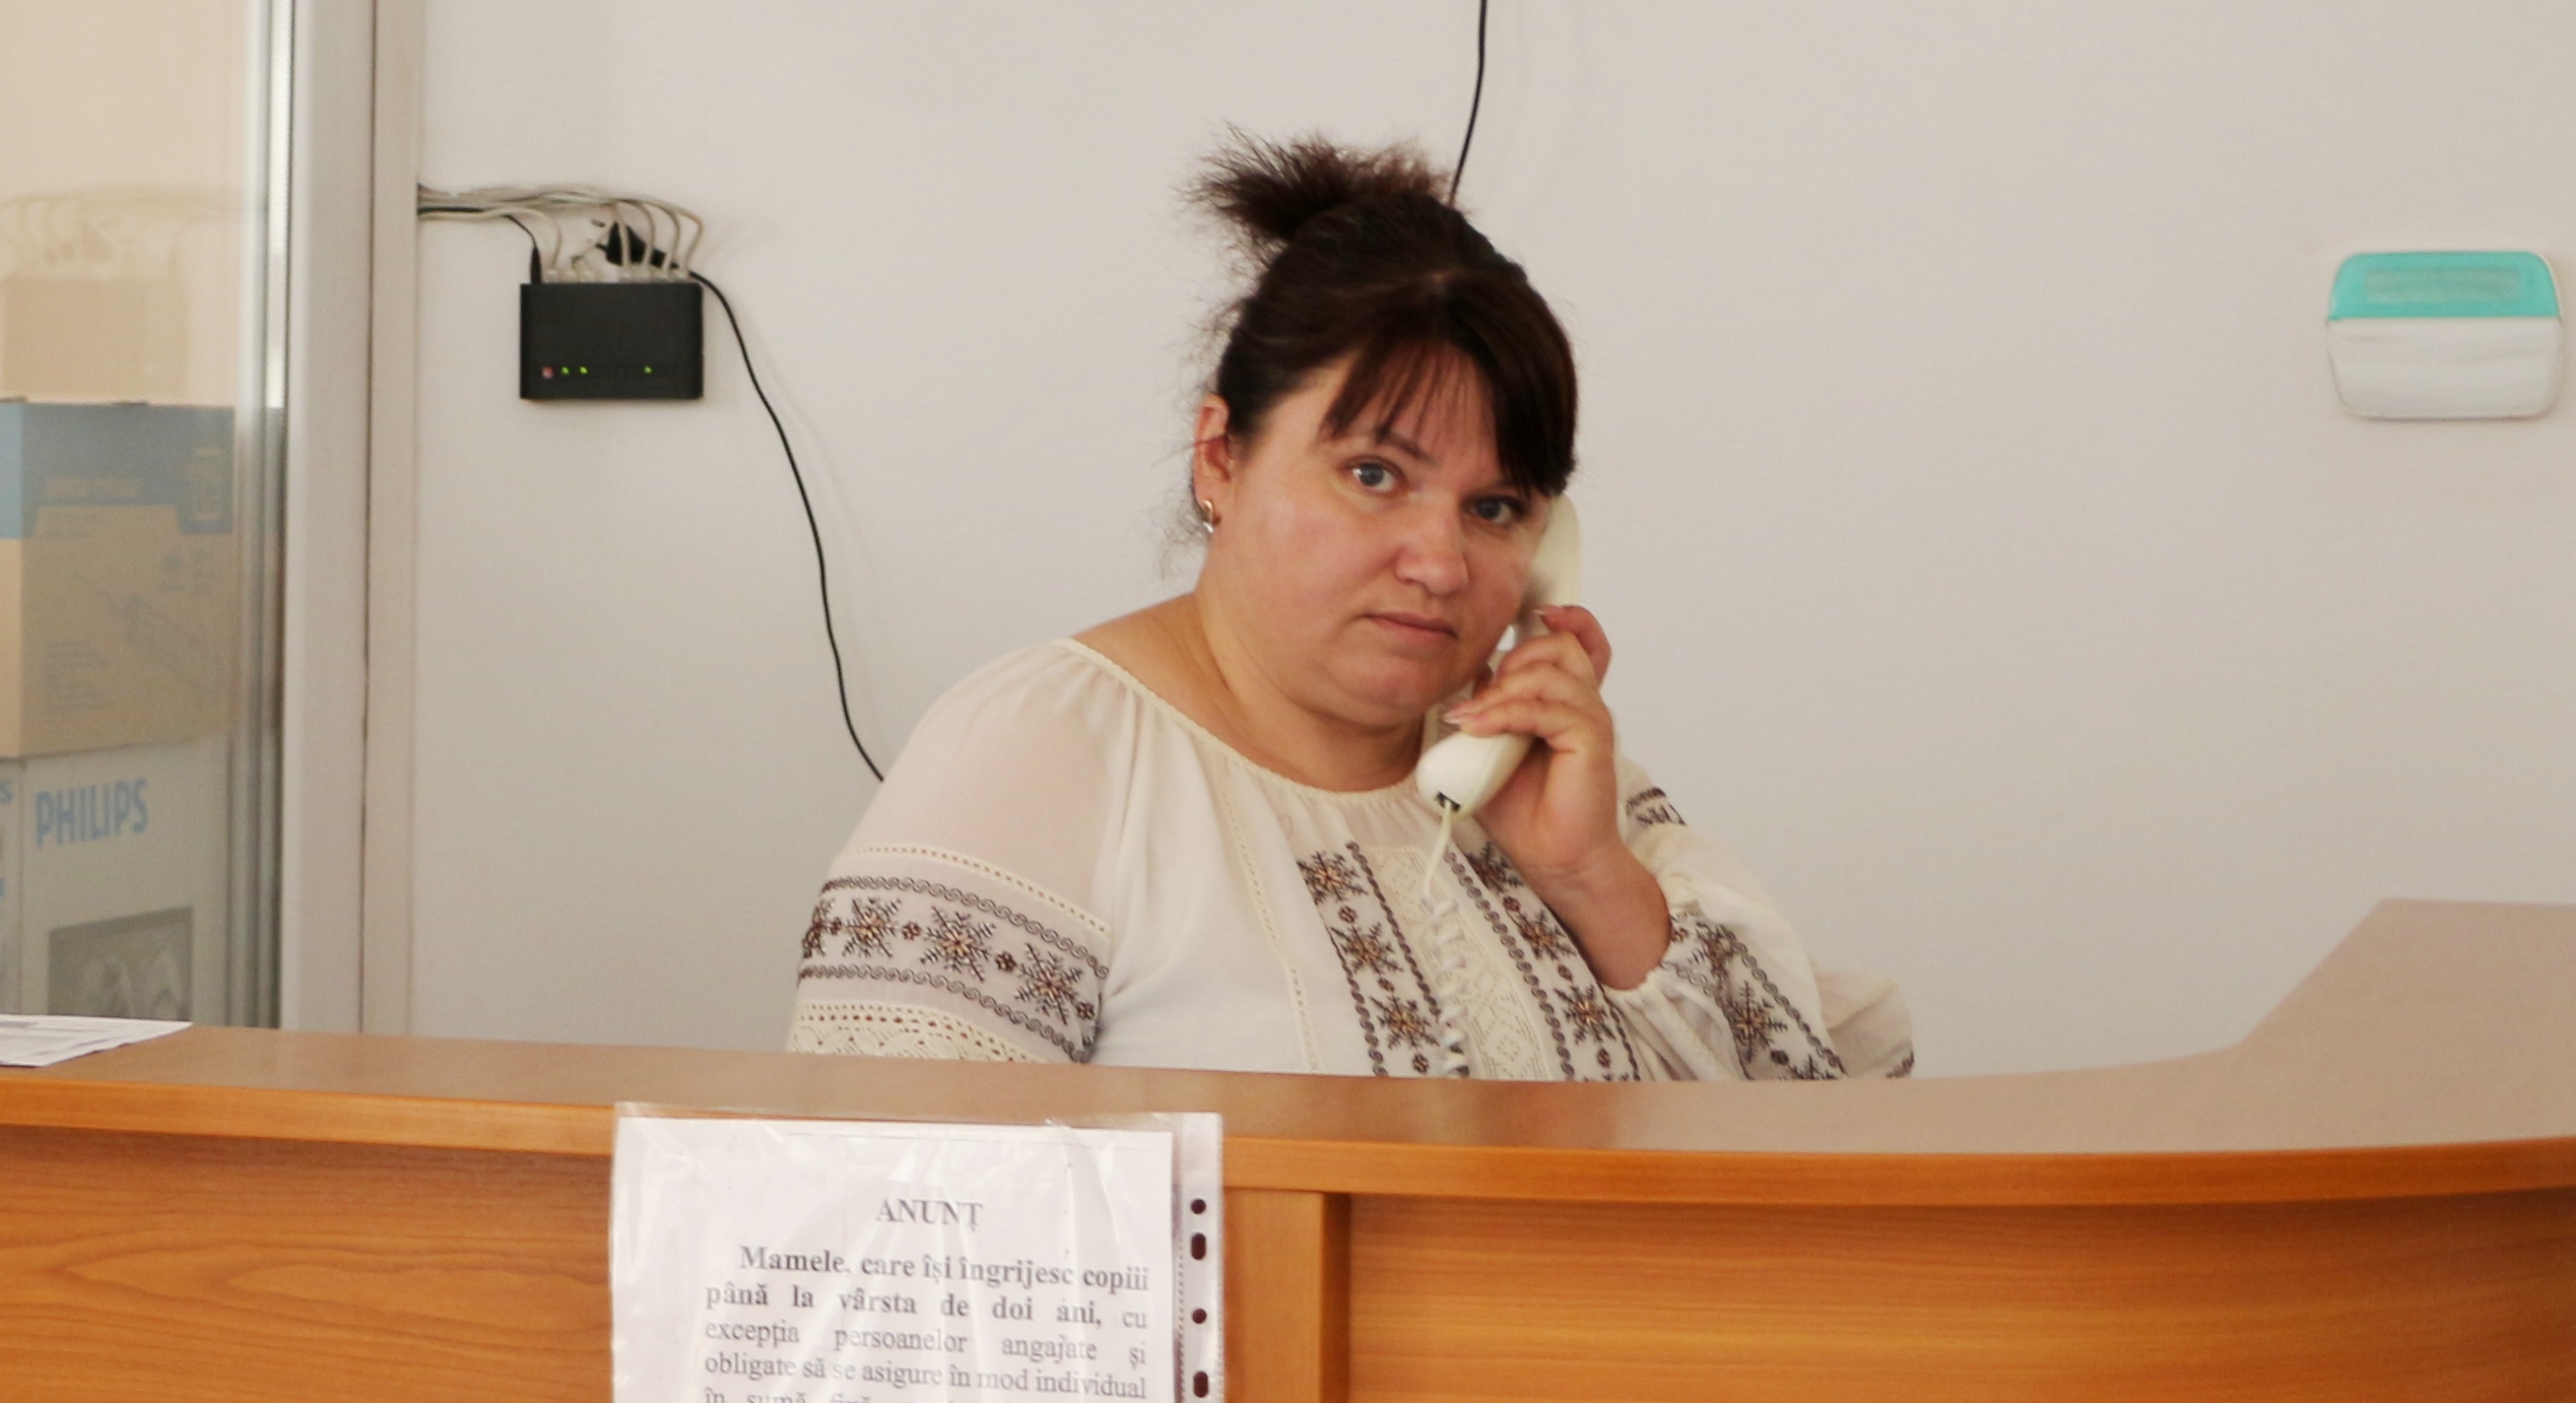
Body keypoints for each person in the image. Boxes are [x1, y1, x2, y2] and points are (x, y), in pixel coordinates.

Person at [788, 135, 1901, 1082]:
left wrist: (1589, 875)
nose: (1440, 562)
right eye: (1374, 473)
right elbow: (893, 1206)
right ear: (1220, 456)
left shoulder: (1552, 784)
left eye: (1496, 507)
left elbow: (1817, 1141)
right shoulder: (1043, 751)